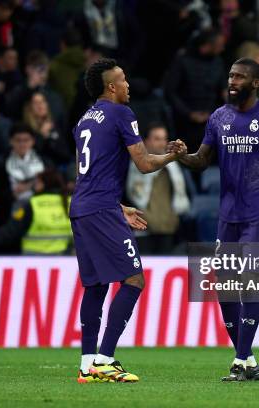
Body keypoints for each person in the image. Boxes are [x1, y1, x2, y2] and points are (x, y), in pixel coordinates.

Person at [170, 58, 259, 381]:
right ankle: (247, 359)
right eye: (231, 75)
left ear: (255, 83)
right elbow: (202, 160)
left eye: (240, 77)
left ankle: (240, 359)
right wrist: (182, 155)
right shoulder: (219, 117)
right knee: (227, 289)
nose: (233, 81)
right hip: (228, 216)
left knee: (250, 282)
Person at [71, 58, 186, 383]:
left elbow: (90, 174)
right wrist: (173, 155)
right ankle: (105, 360)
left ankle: (87, 366)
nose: (128, 84)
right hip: (100, 209)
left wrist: (119, 207)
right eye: (122, 79)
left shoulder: (83, 120)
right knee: (134, 279)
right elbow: (145, 164)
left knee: (95, 286)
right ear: (111, 86)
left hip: (83, 207)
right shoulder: (121, 113)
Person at [126, 123, 190, 254]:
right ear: (146, 141)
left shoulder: (175, 168)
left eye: (164, 139)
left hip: (169, 231)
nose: (162, 143)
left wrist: (174, 221)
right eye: (157, 139)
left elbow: (184, 197)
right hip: (140, 230)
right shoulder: (131, 167)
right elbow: (129, 196)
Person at [0, 169, 72, 254]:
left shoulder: (34, 204)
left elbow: (10, 231)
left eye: (38, 182)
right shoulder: (71, 202)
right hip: (63, 262)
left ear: (45, 183)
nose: (35, 185)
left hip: (34, 261)